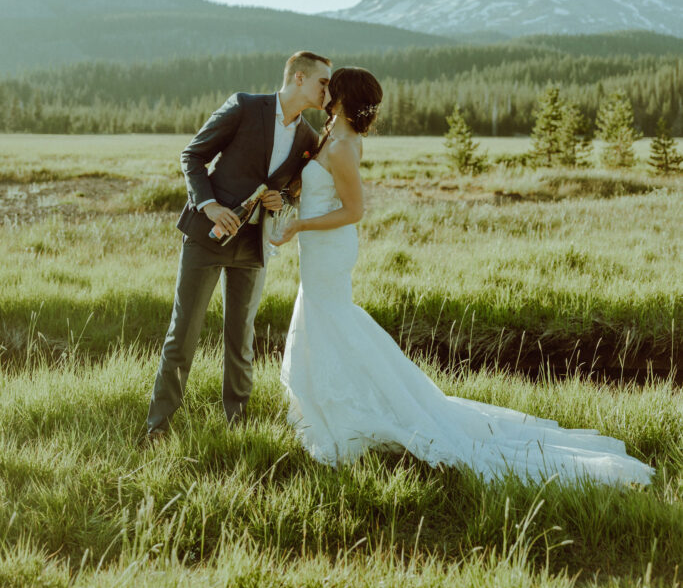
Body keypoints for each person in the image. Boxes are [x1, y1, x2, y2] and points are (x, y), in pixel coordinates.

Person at [271, 67, 654, 486]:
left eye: (331, 86)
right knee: (326, 320)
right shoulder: (330, 134)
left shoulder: (344, 145)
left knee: (333, 320)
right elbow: (317, 187)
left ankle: (352, 410)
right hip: (317, 250)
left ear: (343, 97)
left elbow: (354, 211)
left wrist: (300, 227)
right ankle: (333, 403)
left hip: (328, 249)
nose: (325, 91)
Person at [145, 51, 331, 442]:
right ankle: (157, 427)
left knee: (241, 340)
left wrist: (283, 199)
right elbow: (192, 155)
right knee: (183, 335)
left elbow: (292, 190)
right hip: (207, 236)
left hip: (253, 247)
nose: (327, 91)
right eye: (323, 83)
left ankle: (238, 427)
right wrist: (209, 205)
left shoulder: (309, 139)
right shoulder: (245, 107)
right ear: (299, 78)